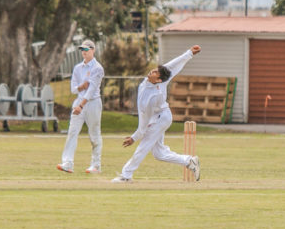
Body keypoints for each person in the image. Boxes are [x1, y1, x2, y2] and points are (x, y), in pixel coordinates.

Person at [112, 45, 202, 183]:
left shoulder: (153, 96)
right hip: (160, 116)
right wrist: (189, 53)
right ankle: (189, 161)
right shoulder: (154, 79)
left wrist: (134, 137)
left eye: (155, 72)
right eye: (153, 70)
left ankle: (126, 175)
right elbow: (172, 66)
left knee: (144, 146)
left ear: (159, 80)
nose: (151, 72)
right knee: (159, 154)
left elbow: (144, 120)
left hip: (160, 118)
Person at [57, 39, 104, 174]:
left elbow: (91, 89)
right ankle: (68, 163)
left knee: (94, 134)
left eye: (86, 50)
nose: (84, 53)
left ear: (93, 50)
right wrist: (81, 87)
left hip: (93, 103)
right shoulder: (77, 68)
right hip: (79, 101)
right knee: (72, 132)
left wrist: (81, 105)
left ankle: (96, 165)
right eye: (82, 50)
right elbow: (73, 89)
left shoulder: (98, 68)